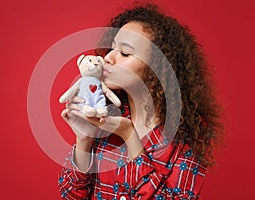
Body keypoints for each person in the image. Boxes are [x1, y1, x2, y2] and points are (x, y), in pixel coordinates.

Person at [58, 3, 224, 200]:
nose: (108, 58)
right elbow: (71, 194)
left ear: (157, 68)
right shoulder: (105, 114)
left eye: (125, 53)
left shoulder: (186, 136)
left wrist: (129, 136)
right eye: (111, 48)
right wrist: (84, 140)